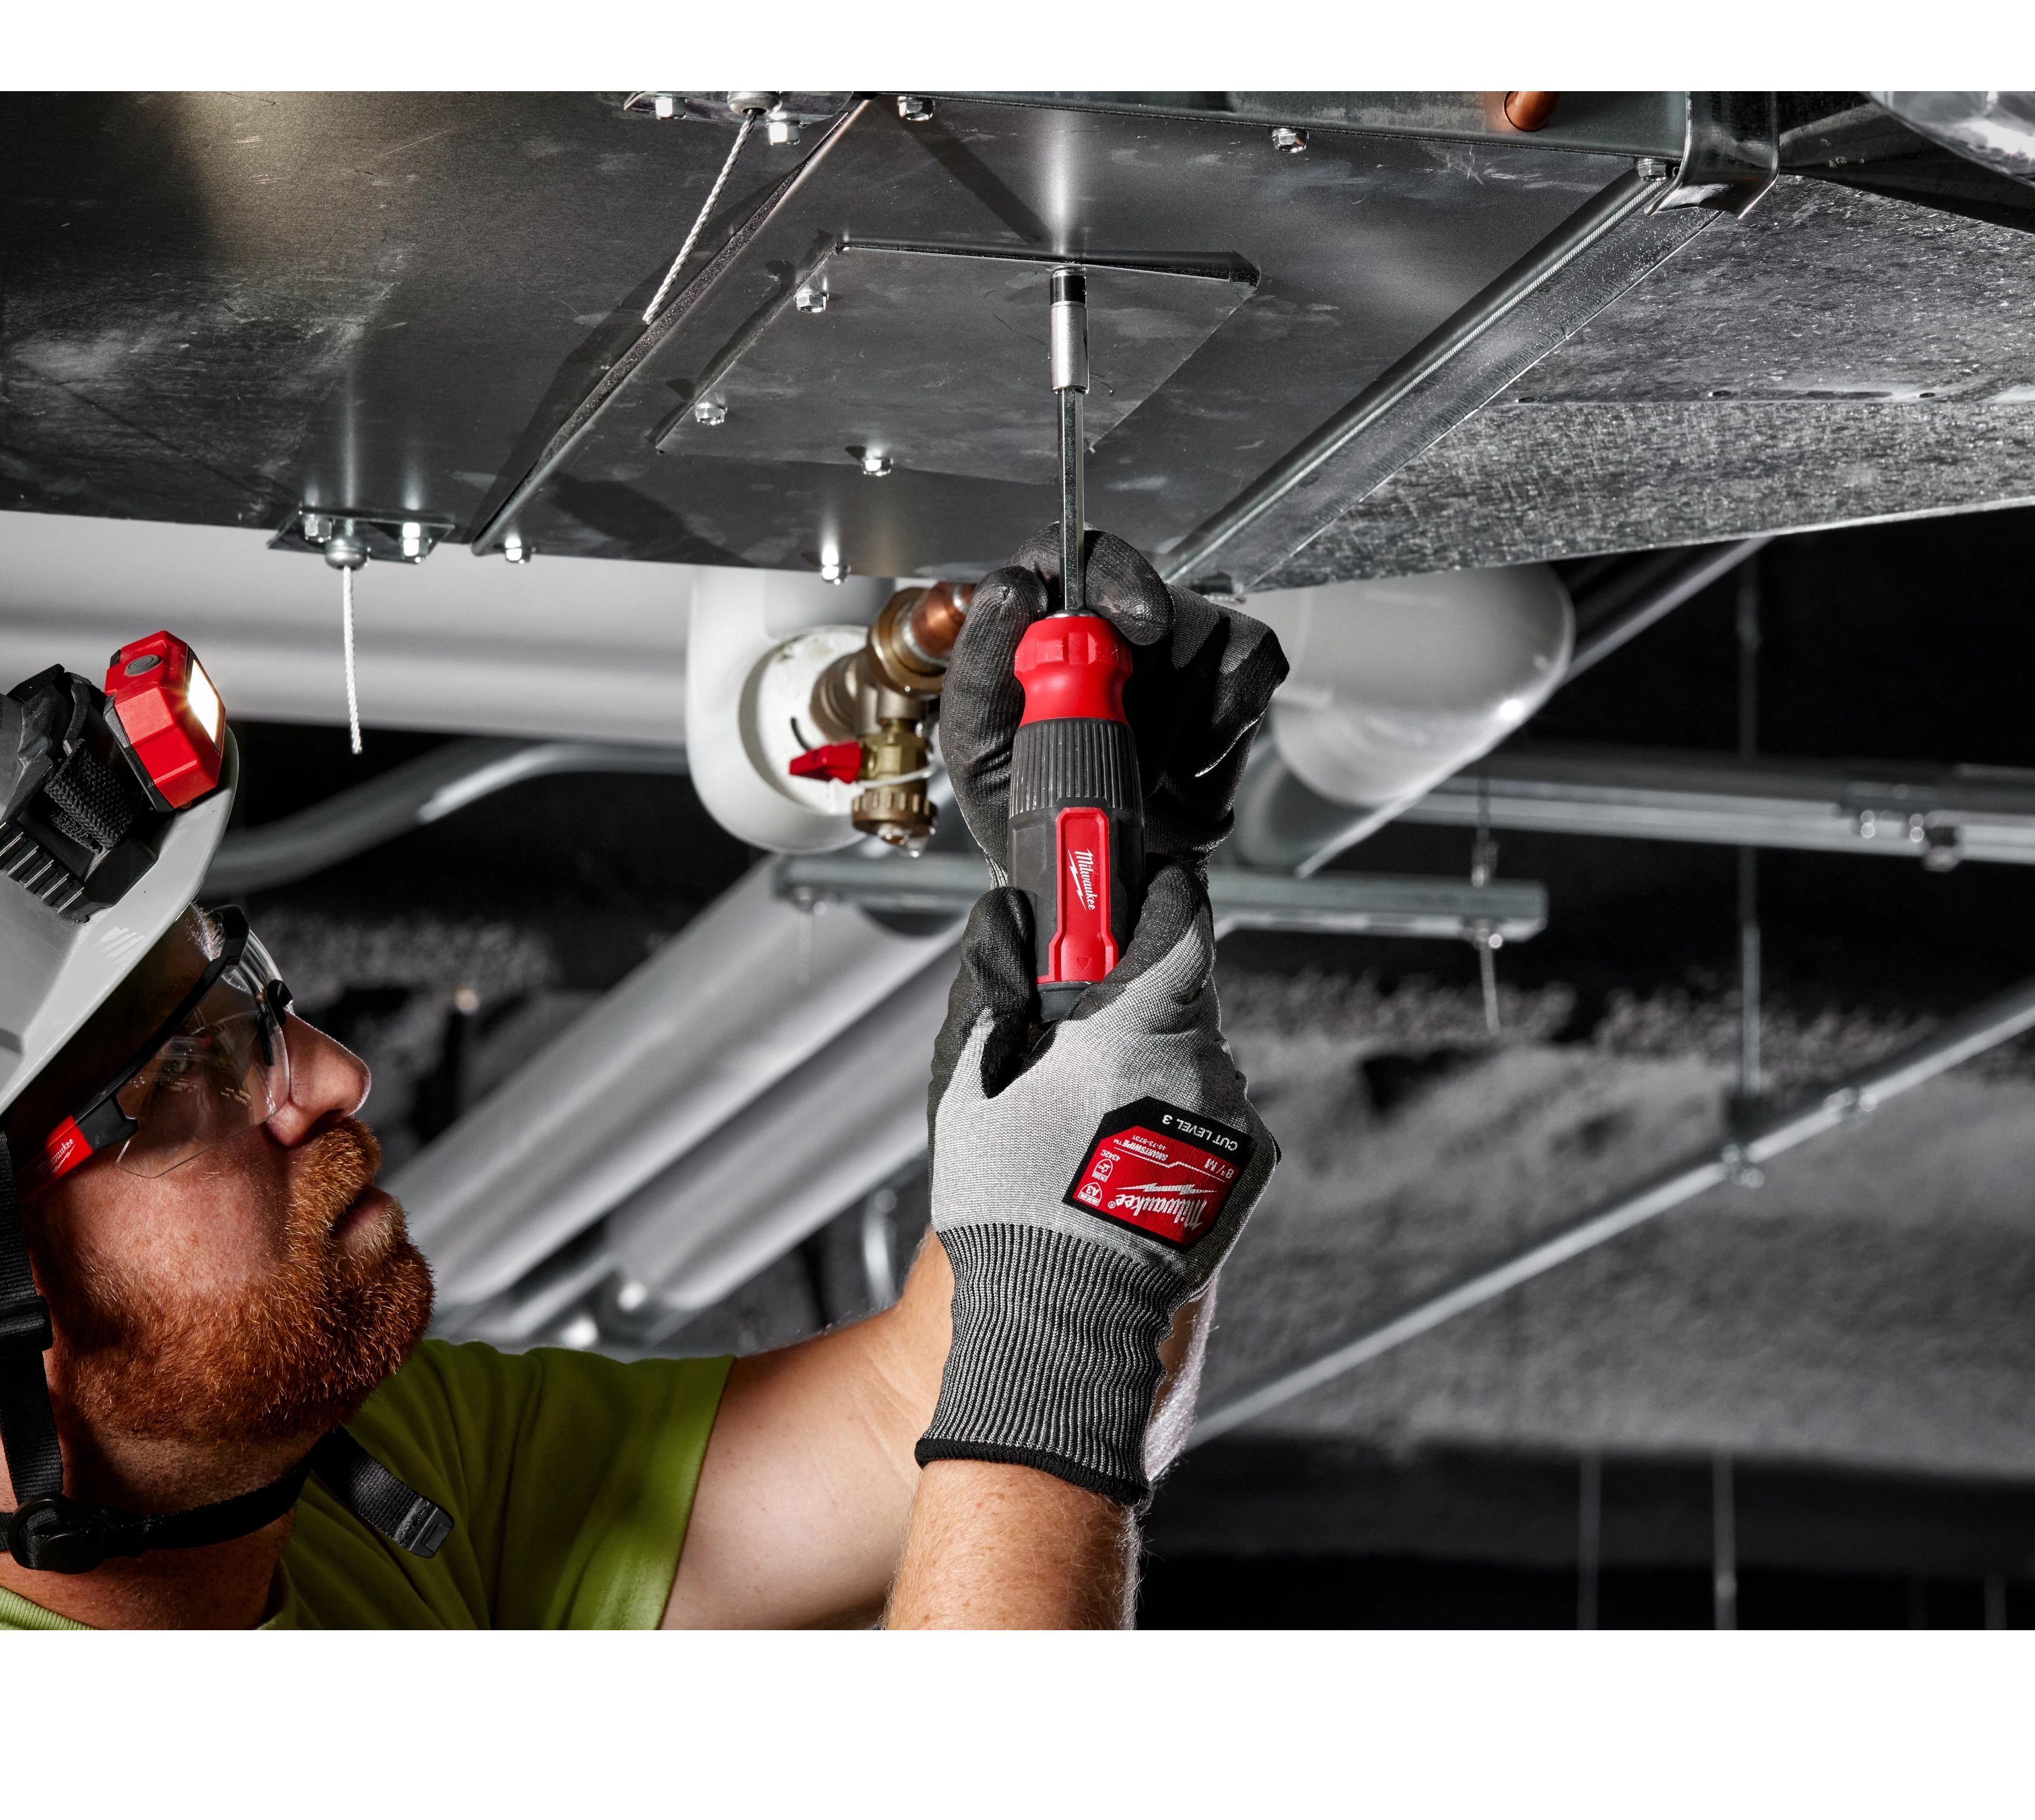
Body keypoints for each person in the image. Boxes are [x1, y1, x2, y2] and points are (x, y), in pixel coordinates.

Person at [0, 532, 1286, 1631]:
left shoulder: (350, 1467)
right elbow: (1035, 1369)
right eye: (194, 1065)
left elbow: (933, 1404)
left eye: (258, 992)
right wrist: (1058, 1308)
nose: (334, 1071)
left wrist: (1100, 923)